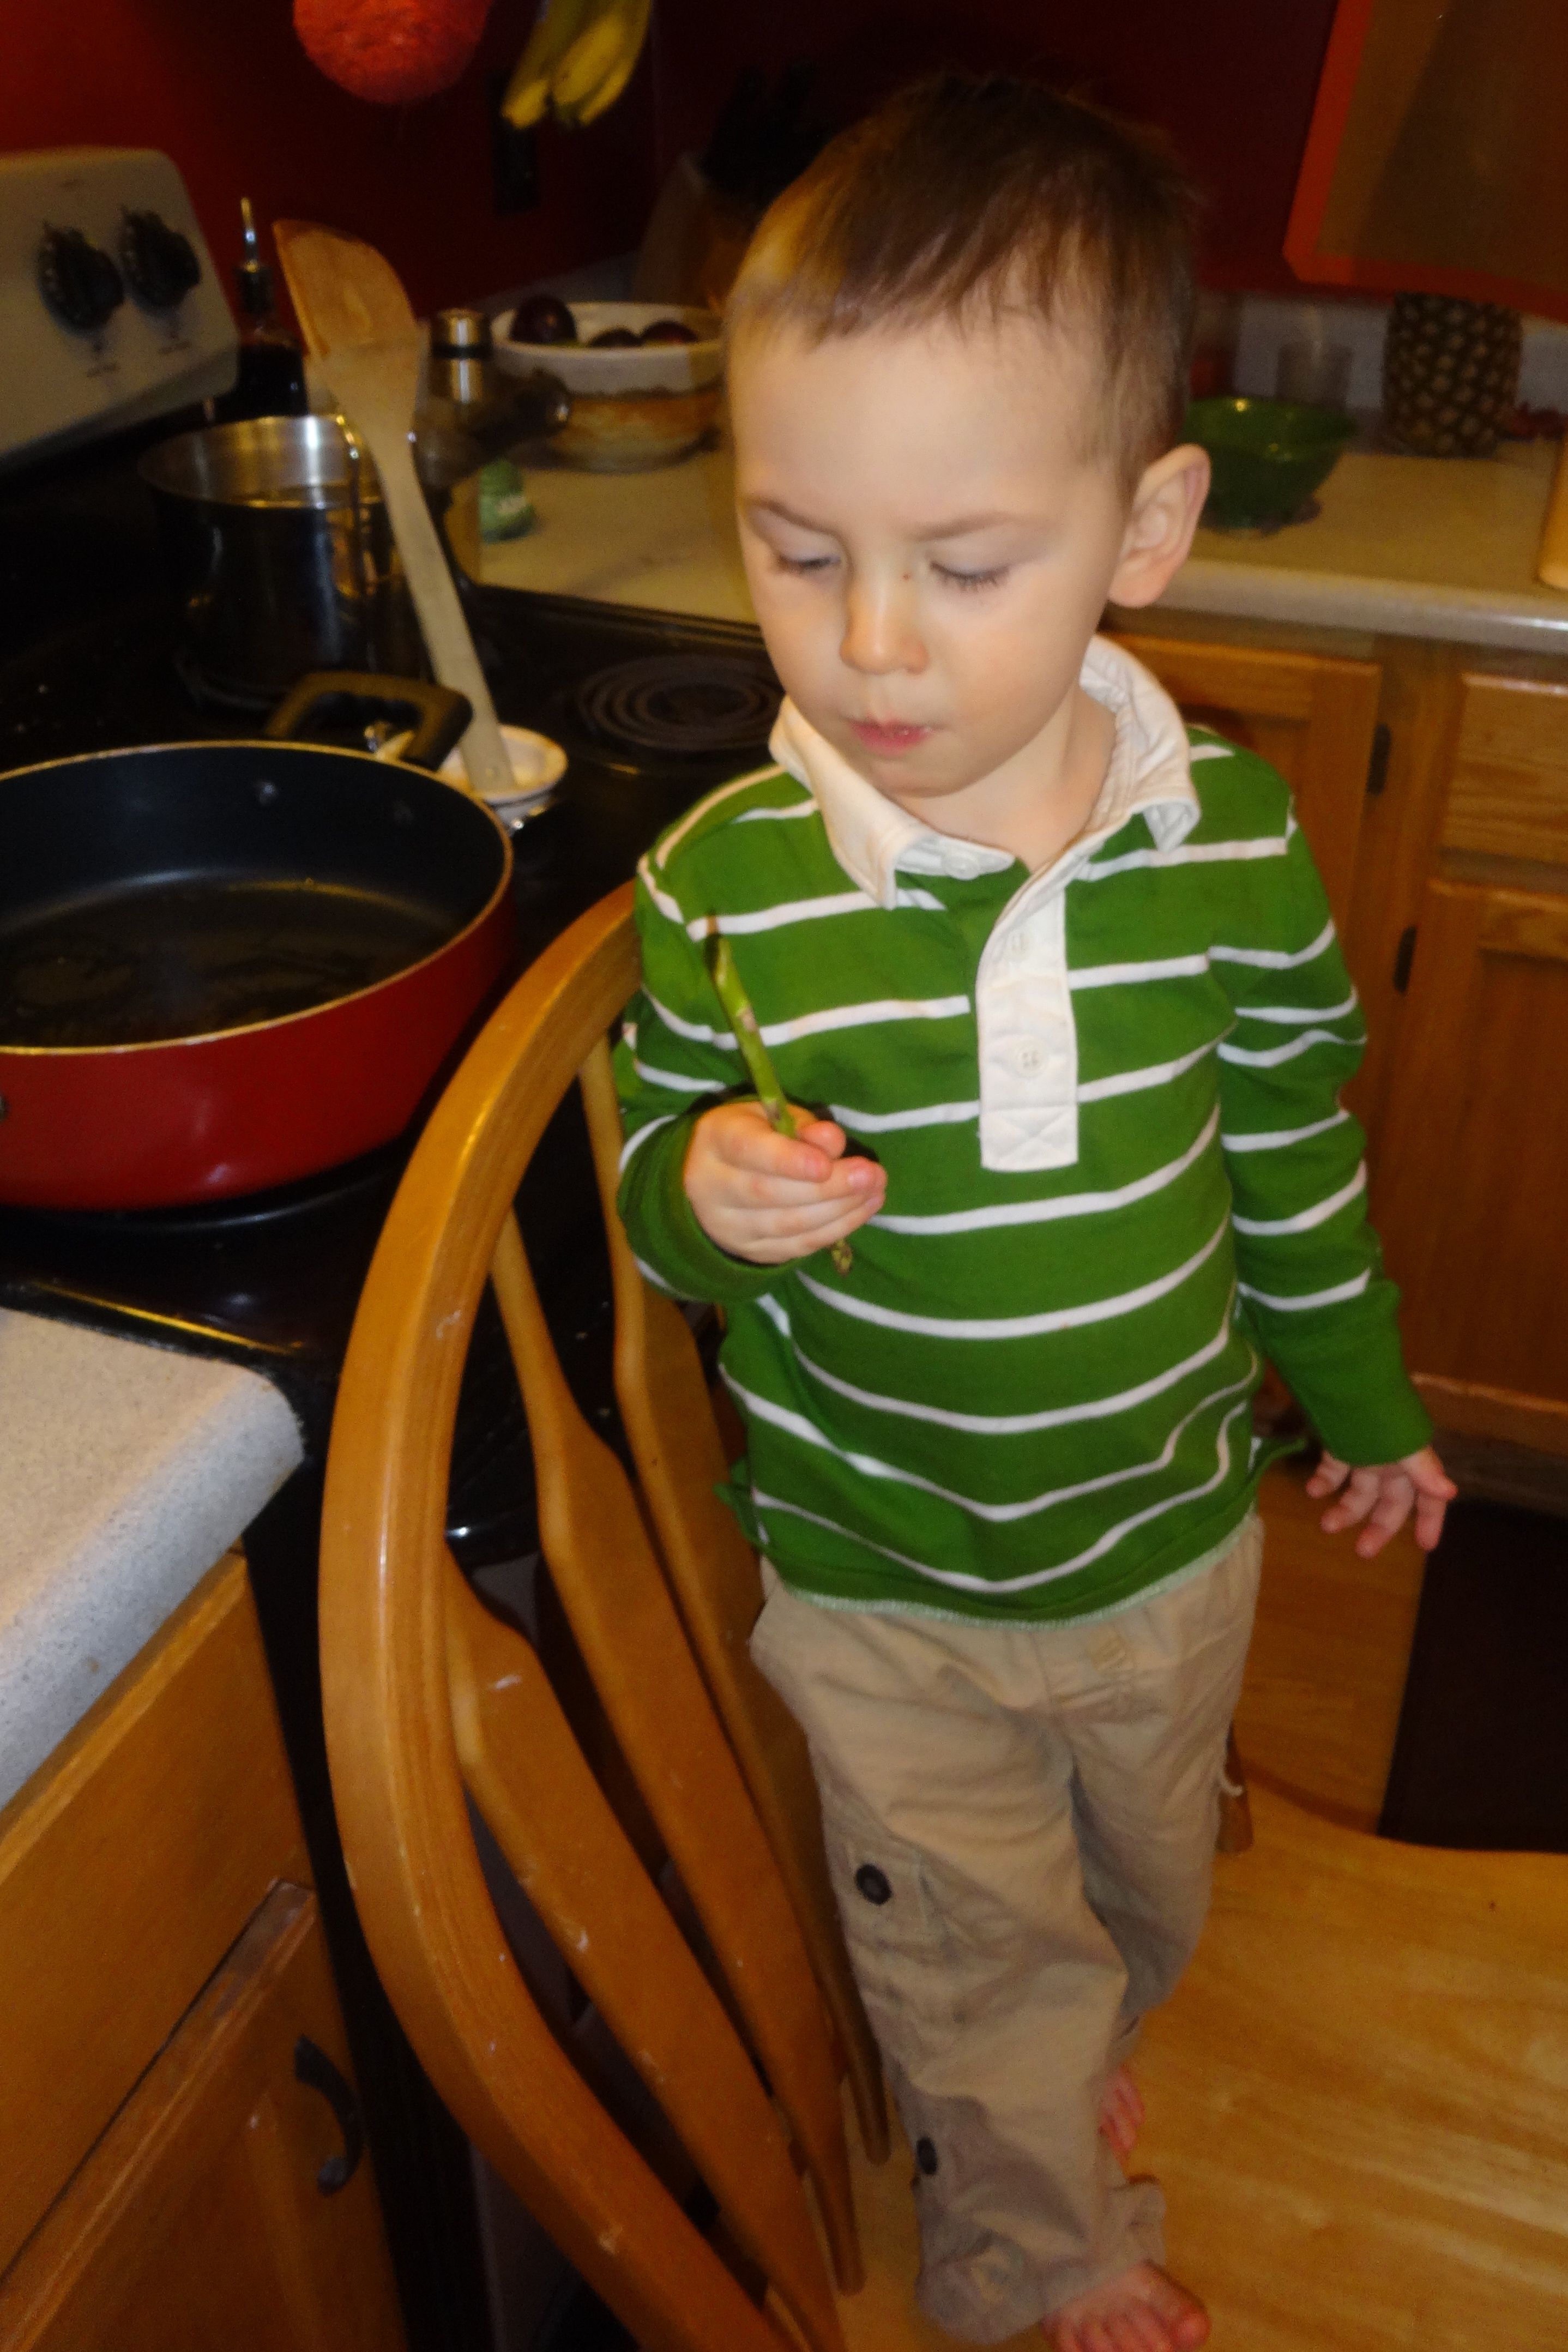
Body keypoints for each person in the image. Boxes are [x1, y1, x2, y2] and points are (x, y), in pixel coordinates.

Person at [613, 73, 1454, 2352]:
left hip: (1168, 1547)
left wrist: (1367, 1402)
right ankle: (1027, 2250)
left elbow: (1289, 1160)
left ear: (1142, 528)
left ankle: (1056, 2042)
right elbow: (650, 1156)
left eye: (963, 565)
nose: (870, 643)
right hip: (885, 1574)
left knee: (1136, 1894)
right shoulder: (724, 884)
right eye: (796, 549)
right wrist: (698, 1187)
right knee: (976, 1951)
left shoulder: (1231, 848)